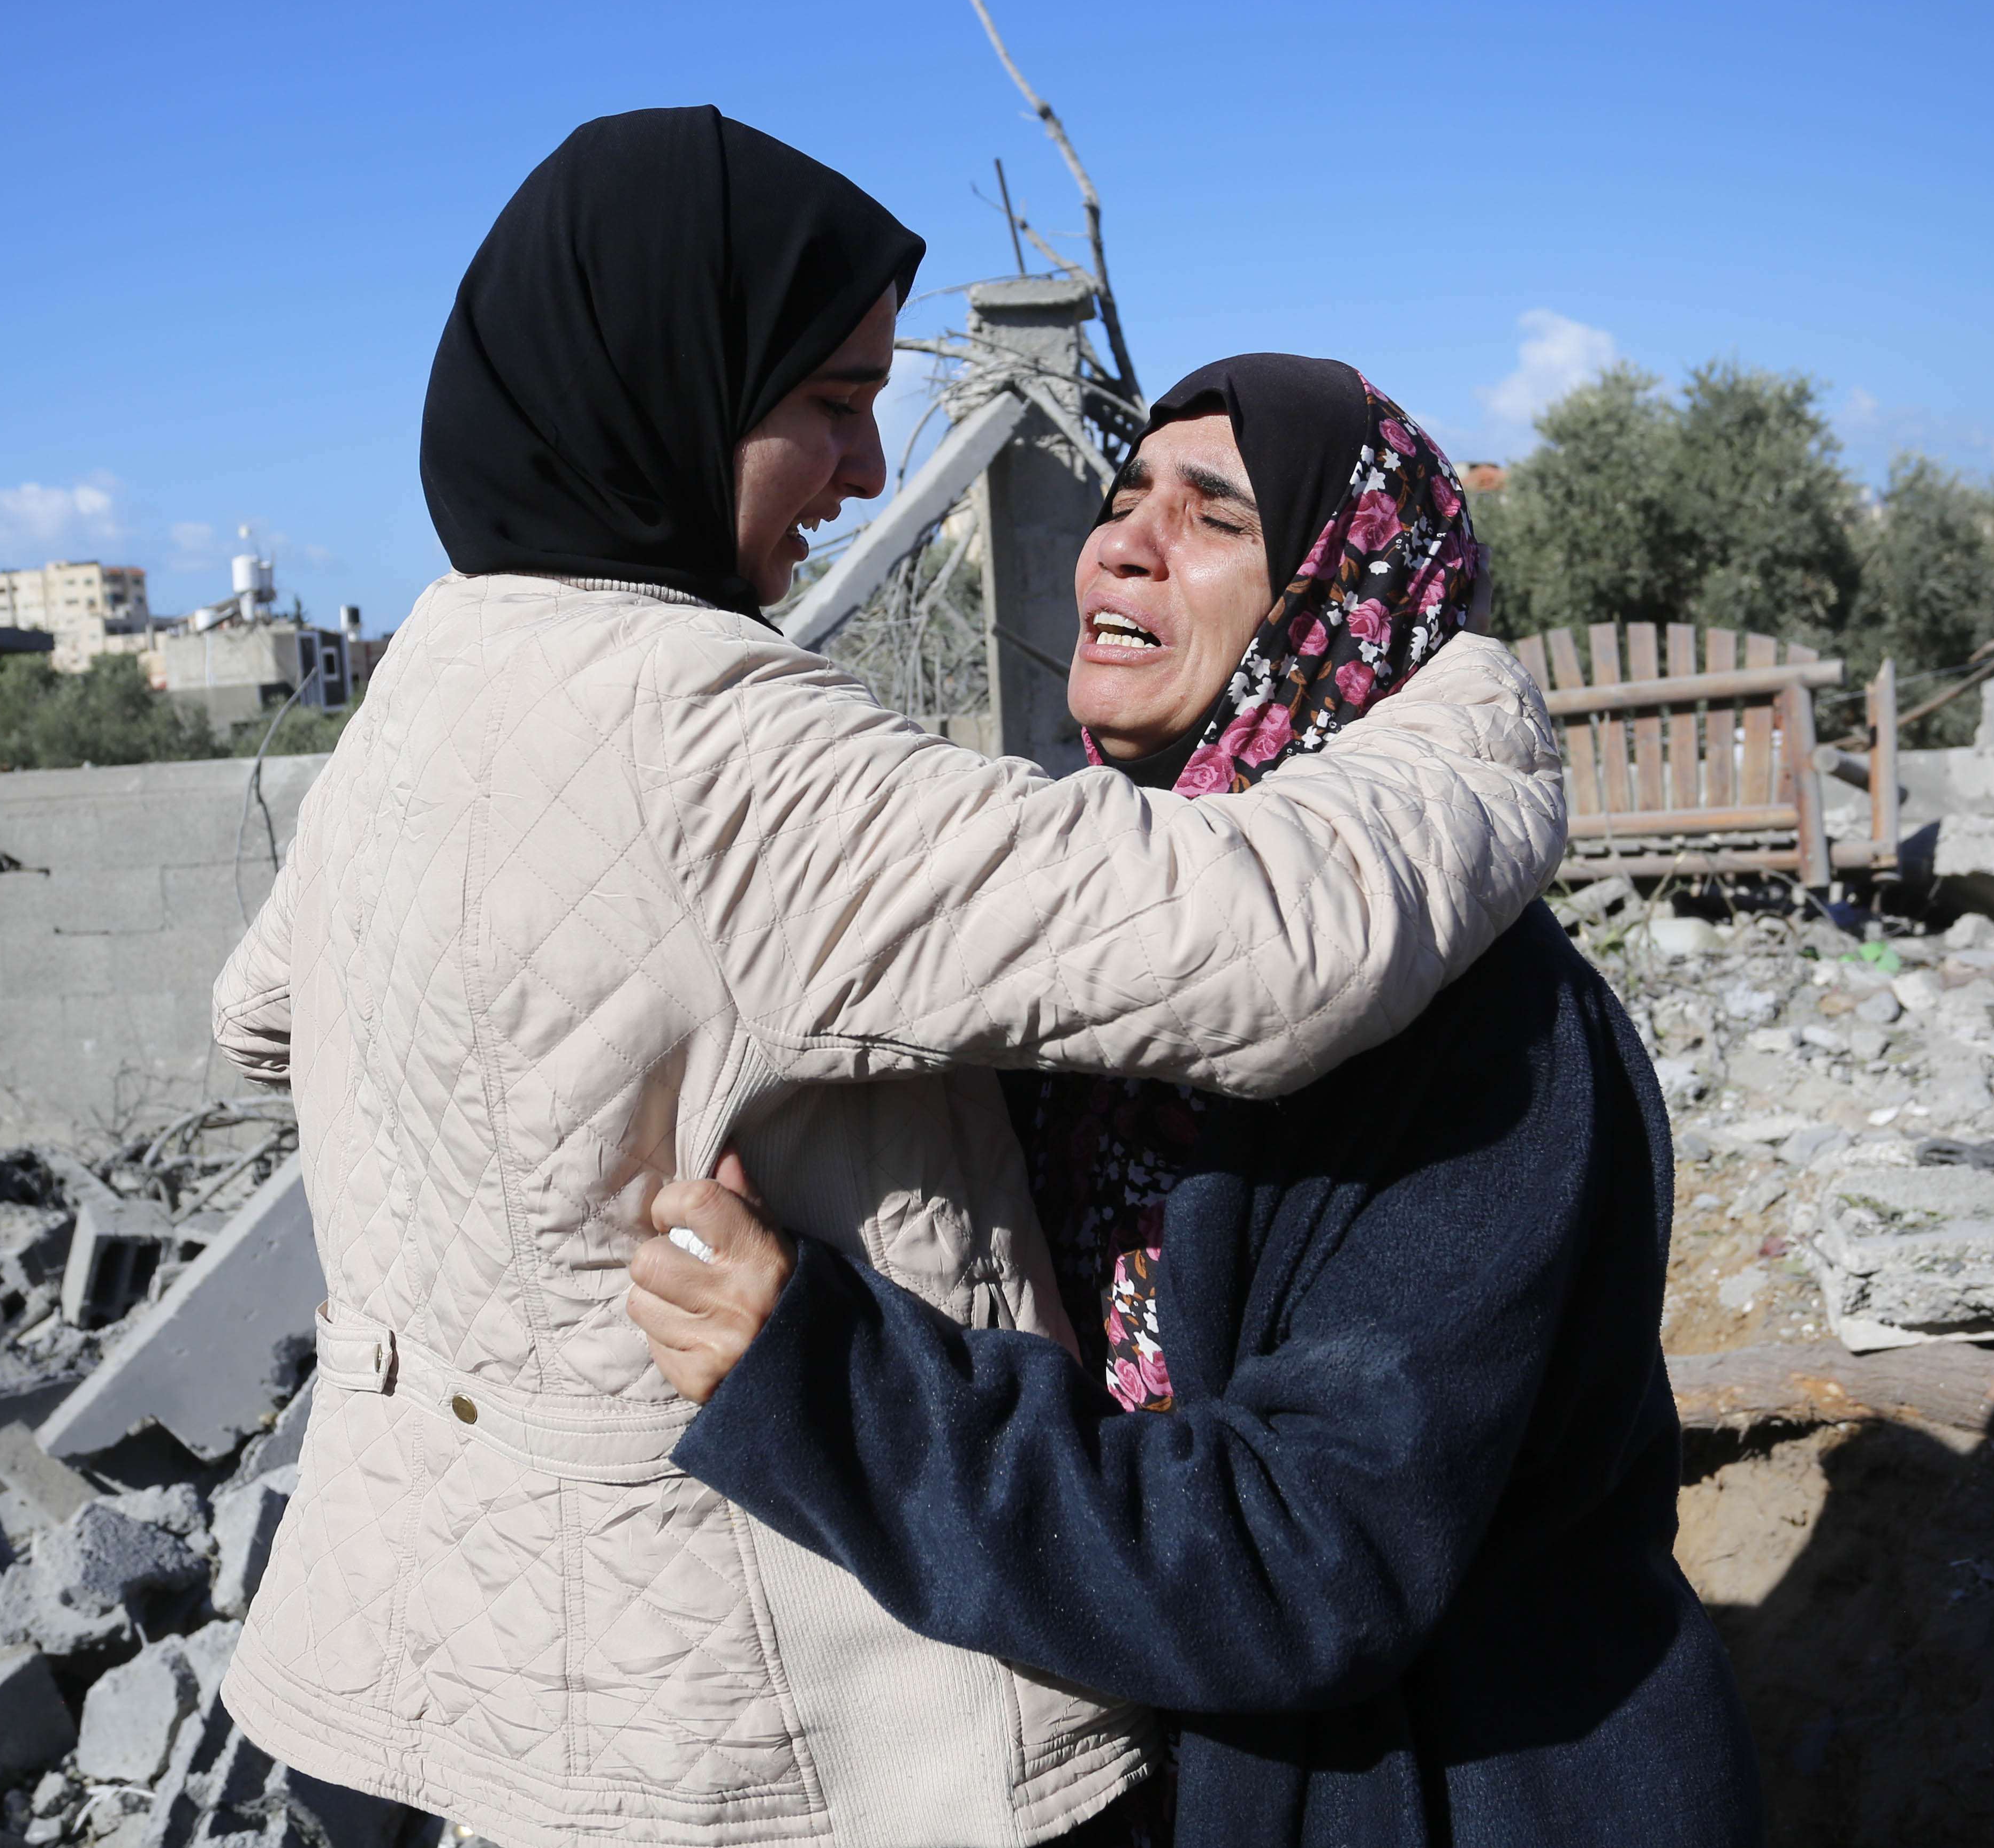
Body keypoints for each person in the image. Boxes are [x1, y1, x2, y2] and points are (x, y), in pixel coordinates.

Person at [211, 111, 1568, 1848]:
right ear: (679, 392)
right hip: (751, 1708)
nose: (864, 470)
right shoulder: (695, 731)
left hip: (413, 1664)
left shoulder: (436, 671)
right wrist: (1460, 706)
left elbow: (262, 1016)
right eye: (829, 403)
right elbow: (1262, 942)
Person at [627, 357, 1765, 1847]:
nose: (1122, 540)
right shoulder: (1092, 956)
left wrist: (821, 1377)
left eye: (1212, 512)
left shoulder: (1479, 1027)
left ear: (1339, 598)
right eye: (1121, 498)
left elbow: (1307, 1562)